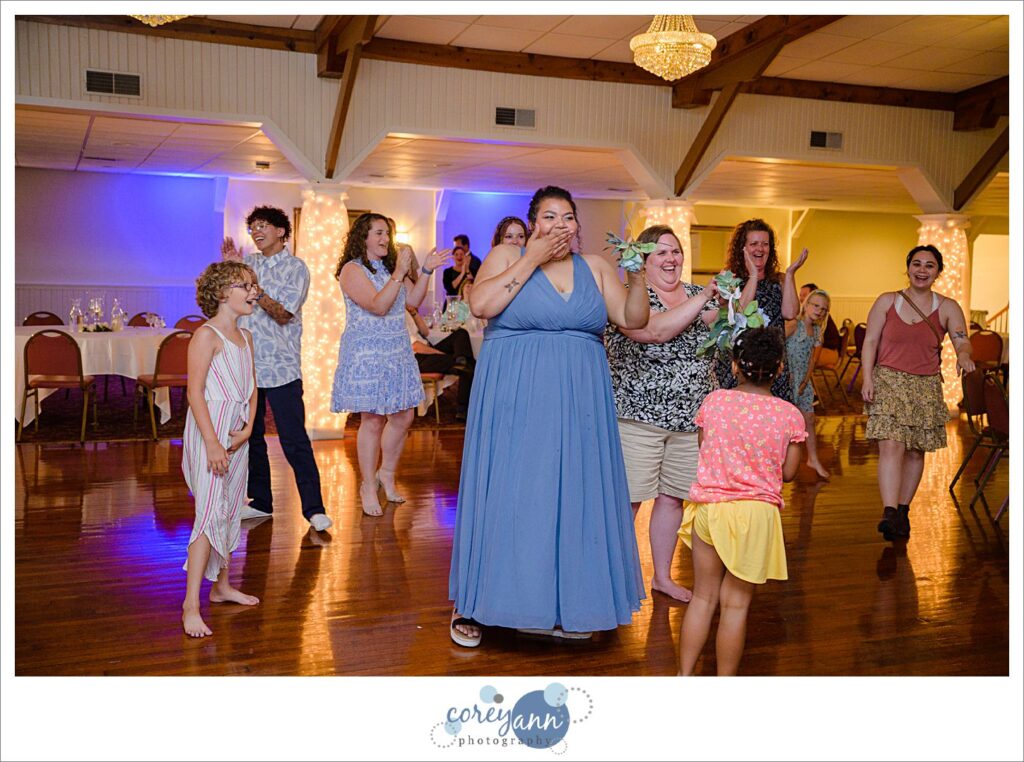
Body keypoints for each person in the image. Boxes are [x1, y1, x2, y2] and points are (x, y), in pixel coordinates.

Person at [448, 185, 649, 647]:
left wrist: (636, 278)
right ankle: (477, 603)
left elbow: (633, 320)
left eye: (568, 217)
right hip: (516, 396)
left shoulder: (595, 267)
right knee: (513, 492)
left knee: (570, 495)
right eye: (549, 217)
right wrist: (531, 257)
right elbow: (481, 306)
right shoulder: (505, 255)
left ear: (578, 225)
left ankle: (561, 603)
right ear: (533, 222)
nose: (560, 225)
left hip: (581, 401)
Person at [677, 327, 806, 675]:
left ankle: (683, 676)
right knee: (734, 606)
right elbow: (790, 472)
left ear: (735, 366)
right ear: (779, 368)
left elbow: (704, 447)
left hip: (710, 508)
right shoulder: (789, 415)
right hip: (753, 514)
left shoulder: (715, 402)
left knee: (703, 598)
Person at [605, 224, 720, 603]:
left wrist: (735, 292)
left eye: (676, 251)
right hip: (639, 419)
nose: (672, 259)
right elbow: (654, 332)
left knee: (672, 498)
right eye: (662, 253)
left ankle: (663, 577)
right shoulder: (628, 298)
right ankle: (609, 577)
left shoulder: (692, 294)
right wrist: (705, 294)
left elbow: (719, 326)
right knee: (630, 500)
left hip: (690, 420)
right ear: (643, 260)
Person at [221, 206, 333, 532]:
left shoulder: (296, 268)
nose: (256, 232)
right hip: (248, 365)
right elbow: (228, 302)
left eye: (263, 226)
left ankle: (314, 509)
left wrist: (253, 287)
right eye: (252, 227)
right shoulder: (248, 265)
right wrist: (231, 268)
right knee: (251, 437)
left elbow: (284, 313)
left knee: (294, 439)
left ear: (282, 231)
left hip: (283, 367)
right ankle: (259, 503)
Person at [331, 213, 449, 516]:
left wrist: (424, 271)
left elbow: (413, 301)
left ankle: (387, 472)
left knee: (404, 416)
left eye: (388, 234)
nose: (386, 239)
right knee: (372, 419)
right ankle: (368, 484)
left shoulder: (389, 268)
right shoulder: (352, 270)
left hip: (397, 351)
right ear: (364, 238)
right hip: (367, 352)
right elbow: (378, 306)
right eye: (380, 233)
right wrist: (399, 272)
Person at [860, 245, 974, 541]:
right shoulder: (887, 301)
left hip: (925, 385)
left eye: (930, 265)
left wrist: (963, 355)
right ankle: (888, 512)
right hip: (888, 380)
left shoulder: (947, 306)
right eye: (917, 264)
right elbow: (870, 341)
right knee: (891, 446)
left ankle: (902, 509)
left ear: (938, 271)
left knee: (914, 451)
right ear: (908, 267)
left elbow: (962, 339)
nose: (922, 270)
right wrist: (867, 377)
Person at [181, 261, 261, 638]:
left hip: (235, 435)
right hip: (209, 435)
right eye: (244, 285)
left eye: (253, 285)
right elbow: (194, 391)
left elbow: (252, 388)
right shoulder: (206, 336)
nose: (253, 291)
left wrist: (247, 429)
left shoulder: (246, 337)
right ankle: (190, 605)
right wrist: (213, 442)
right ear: (221, 293)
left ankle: (222, 586)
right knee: (208, 511)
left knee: (230, 510)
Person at [713, 219, 807, 403]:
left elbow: (790, 313)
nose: (760, 249)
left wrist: (790, 275)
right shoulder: (729, 279)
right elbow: (737, 313)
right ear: (742, 248)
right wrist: (753, 276)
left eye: (765, 244)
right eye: (754, 244)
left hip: (772, 364)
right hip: (738, 365)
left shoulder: (779, 279)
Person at [785, 288, 832, 479]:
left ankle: (813, 458)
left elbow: (813, 359)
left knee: (809, 420)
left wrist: (806, 381)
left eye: (824, 309)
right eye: (816, 305)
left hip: (803, 381)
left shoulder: (818, 330)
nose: (819, 311)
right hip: (788, 378)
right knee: (785, 423)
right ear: (806, 305)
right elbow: (779, 345)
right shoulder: (794, 324)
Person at [405, 304, 475, 421]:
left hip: (426, 350)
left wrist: (413, 313)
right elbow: (415, 347)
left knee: (461, 334)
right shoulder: (396, 316)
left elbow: (425, 332)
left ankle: (460, 362)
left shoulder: (405, 311)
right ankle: (462, 409)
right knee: (469, 365)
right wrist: (441, 354)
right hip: (417, 359)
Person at [800, 282, 841, 357]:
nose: (801, 299)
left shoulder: (818, 317)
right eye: (800, 295)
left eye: (804, 295)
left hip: (828, 350)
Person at [442, 235, 481, 300]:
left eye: (461, 254)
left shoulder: (475, 262)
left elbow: (476, 284)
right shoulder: (447, 272)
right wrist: (462, 273)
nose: (459, 257)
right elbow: (449, 289)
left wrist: (467, 269)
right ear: (453, 257)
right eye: (456, 254)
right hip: (452, 304)